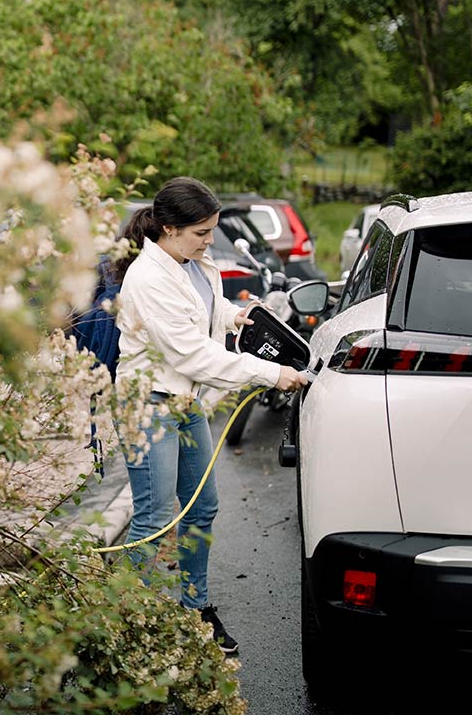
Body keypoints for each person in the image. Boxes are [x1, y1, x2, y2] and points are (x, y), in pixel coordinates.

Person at [112, 176, 308, 655]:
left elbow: (205, 310)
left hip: (185, 403)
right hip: (149, 403)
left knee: (202, 507)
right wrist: (270, 374)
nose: (208, 241)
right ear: (167, 228)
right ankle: (124, 623)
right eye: (201, 232)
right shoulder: (147, 278)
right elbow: (192, 355)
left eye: (211, 231)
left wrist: (235, 317)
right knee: (156, 517)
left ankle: (194, 606)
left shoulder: (194, 262)